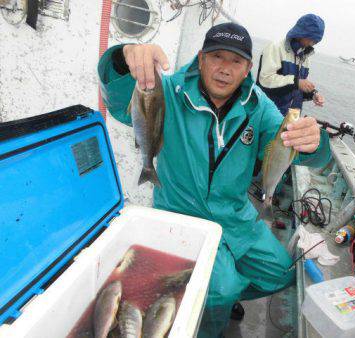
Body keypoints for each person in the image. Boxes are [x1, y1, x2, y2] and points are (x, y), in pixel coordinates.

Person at [98, 22, 331, 337]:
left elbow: (289, 146)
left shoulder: (258, 105)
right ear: (201, 58)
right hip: (184, 216)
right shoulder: (167, 90)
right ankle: (207, 319)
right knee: (221, 290)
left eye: (236, 61)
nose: (225, 69)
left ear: (248, 67)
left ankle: (198, 295)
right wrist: (122, 59)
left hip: (236, 220)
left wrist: (315, 144)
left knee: (284, 274)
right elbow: (119, 102)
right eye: (217, 57)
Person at [257, 14, 326, 115]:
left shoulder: (305, 56)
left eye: (316, 40)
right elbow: (265, 80)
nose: (313, 43)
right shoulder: (275, 47)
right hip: (268, 115)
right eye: (312, 38)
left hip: (291, 117)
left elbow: (297, 87)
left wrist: (312, 94)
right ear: (301, 33)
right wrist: (297, 82)